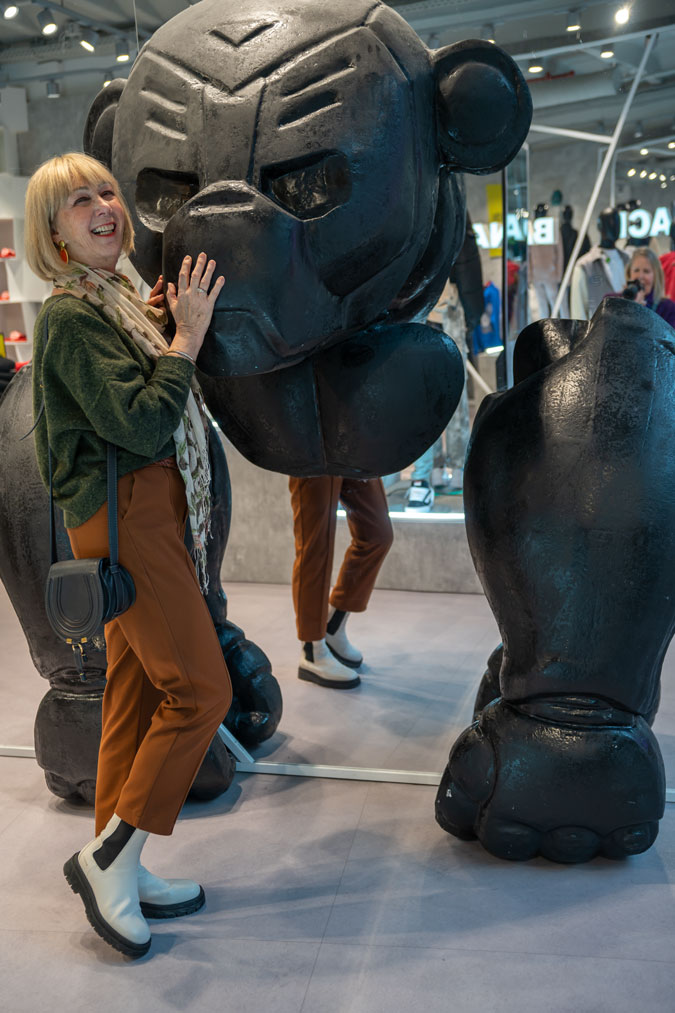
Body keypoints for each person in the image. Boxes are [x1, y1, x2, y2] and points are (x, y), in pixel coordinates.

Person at [25, 152, 230, 959]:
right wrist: (184, 340)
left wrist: (159, 327)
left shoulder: (109, 302)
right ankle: (108, 857)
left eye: (106, 190)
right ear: (54, 234)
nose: (104, 206)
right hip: (127, 514)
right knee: (201, 690)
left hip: (141, 509)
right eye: (80, 201)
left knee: (138, 694)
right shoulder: (74, 317)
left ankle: (126, 857)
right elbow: (143, 423)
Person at [289, 476, 393, 689]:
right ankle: (312, 650)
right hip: (313, 449)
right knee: (315, 545)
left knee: (377, 534)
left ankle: (332, 626)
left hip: (355, 446)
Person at [620, 246, 675, 328]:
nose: (640, 276)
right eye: (636, 270)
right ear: (629, 273)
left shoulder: (668, 308)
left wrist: (640, 312)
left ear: (656, 276)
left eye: (646, 271)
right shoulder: (612, 301)